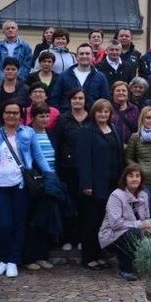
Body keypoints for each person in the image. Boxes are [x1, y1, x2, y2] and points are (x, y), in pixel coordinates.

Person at [0, 100, 54, 278]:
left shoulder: (28, 133)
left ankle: (13, 260)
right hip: (0, 187)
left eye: (15, 113)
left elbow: (38, 156)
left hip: (21, 186)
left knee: (19, 225)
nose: (12, 116)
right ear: (2, 114)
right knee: (4, 225)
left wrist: (50, 176)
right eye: (8, 112)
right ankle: (4, 259)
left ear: (20, 115)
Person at [75, 99, 126, 270]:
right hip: (94, 184)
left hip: (112, 182)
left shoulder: (114, 129)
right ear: (94, 113)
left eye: (106, 111)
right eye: (100, 111)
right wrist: (86, 184)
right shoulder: (86, 131)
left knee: (105, 221)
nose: (103, 114)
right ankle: (89, 257)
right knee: (91, 221)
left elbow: (119, 156)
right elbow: (83, 160)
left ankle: (100, 254)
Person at [98, 164, 151, 281]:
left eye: (137, 176)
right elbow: (116, 224)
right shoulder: (116, 195)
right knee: (133, 234)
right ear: (125, 178)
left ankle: (144, 264)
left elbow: (147, 217)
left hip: (134, 231)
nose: (135, 179)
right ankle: (125, 270)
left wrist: (148, 225)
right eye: (131, 176)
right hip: (112, 235)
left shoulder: (144, 194)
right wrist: (140, 225)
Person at [23, 103, 59, 271]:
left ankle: (42, 256)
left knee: (45, 220)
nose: (45, 119)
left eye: (47, 116)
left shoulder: (51, 134)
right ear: (33, 117)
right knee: (33, 220)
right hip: (34, 182)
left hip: (49, 181)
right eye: (41, 116)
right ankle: (30, 257)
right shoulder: (27, 133)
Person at [53, 88, 90, 250]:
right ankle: (67, 239)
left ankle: (82, 239)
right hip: (67, 169)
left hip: (87, 169)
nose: (77, 101)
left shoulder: (91, 118)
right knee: (68, 205)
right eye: (74, 98)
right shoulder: (63, 119)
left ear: (85, 101)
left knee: (84, 206)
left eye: (80, 98)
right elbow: (58, 143)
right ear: (70, 101)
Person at [51, 43, 109, 110]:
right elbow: (55, 98)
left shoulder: (100, 77)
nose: (84, 56)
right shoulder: (64, 76)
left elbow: (104, 101)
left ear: (92, 56)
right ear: (76, 57)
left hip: (91, 115)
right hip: (68, 115)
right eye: (81, 54)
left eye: (87, 54)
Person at [0, 58, 30, 123]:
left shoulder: (25, 89)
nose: (10, 71)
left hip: (19, 123)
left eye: (13, 69)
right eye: (7, 69)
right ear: (3, 70)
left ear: (18, 71)